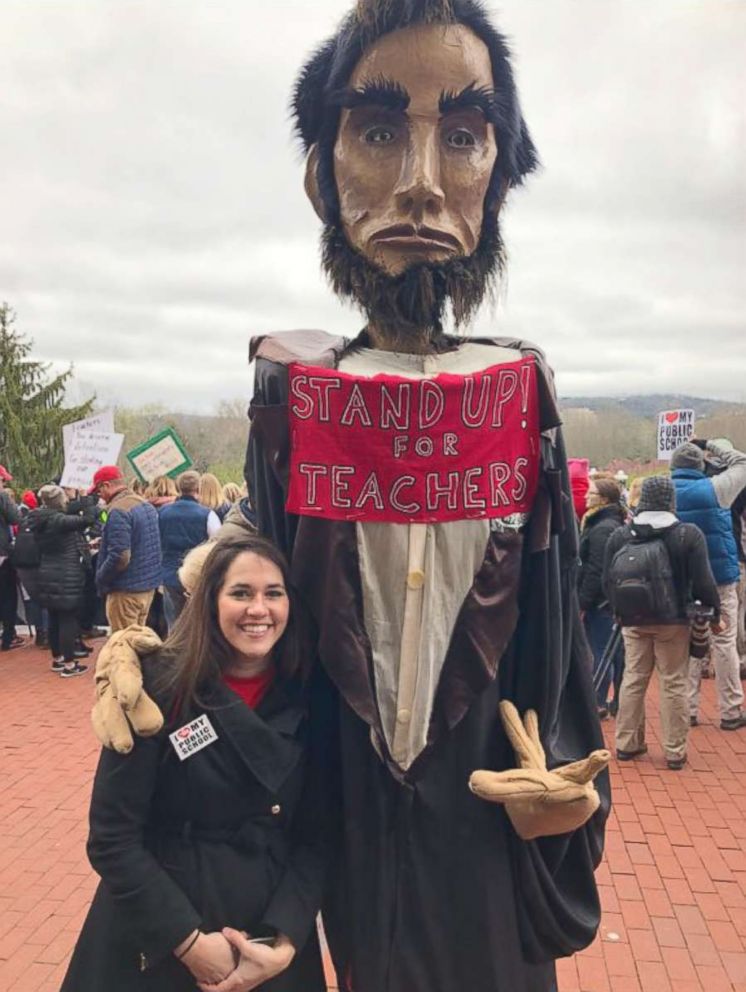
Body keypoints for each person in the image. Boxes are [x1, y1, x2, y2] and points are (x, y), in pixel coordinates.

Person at [93, 4, 611, 990]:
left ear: (494, 173)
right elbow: (260, 552)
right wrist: (163, 641)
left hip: (484, 775)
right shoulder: (294, 386)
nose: (420, 181)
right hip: (348, 782)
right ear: (321, 172)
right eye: (377, 130)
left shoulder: (516, 387)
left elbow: (545, 598)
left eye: (460, 136)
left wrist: (572, 771)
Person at [62, 535, 334, 992]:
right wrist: (187, 943)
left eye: (274, 593)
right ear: (210, 601)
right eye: (241, 593)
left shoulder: (312, 697)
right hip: (164, 928)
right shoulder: (155, 687)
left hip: (265, 937)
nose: (258, 610)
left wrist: (286, 939)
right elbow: (112, 837)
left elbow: (319, 835)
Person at [603, 476, 720, 770]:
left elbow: (608, 580)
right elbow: (704, 582)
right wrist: (714, 613)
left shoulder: (621, 535)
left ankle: (627, 744)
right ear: (671, 500)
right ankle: (674, 750)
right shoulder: (687, 534)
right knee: (673, 682)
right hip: (673, 620)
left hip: (632, 619)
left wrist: (618, 610)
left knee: (633, 678)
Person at [671, 439, 746, 730]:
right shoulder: (716, 488)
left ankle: (687, 709)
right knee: (724, 642)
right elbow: (741, 462)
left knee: (689, 642)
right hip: (720, 576)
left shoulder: (664, 490)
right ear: (701, 465)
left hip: (681, 579)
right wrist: (712, 443)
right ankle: (730, 710)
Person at [24, 484, 96, 677]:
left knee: (54, 617)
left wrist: (76, 501)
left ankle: (57, 659)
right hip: (66, 573)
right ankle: (70, 664)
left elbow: (68, 512)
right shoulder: (60, 521)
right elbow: (88, 519)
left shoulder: (38, 518)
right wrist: (85, 498)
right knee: (67, 619)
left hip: (47, 571)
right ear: (59, 501)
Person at [92, 465, 162, 632]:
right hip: (146, 586)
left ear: (107, 485)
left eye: (98, 490)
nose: (98, 496)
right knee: (138, 641)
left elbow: (120, 556)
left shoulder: (118, 510)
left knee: (123, 644)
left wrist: (101, 577)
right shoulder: (145, 505)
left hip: (126, 591)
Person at [579, 477, 626, 717]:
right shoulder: (610, 523)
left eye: (592, 492)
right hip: (610, 599)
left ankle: (597, 702)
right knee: (615, 653)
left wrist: (583, 602)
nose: (587, 495)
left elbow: (596, 569)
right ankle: (616, 700)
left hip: (601, 602)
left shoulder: (601, 528)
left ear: (605, 499)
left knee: (601, 651)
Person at [158, 470, 221, 629]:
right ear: (198, 489)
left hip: (169, 574)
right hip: (196, 576)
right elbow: (218, 544)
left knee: (174, 624)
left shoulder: (162, 513)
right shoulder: (207, 515)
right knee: (198, 624)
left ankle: (175, 652)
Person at [0, 464, 23, 652]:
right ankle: (8, 636)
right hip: (2, 555)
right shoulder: (2, 497)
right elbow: (15, 518)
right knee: (7, 596)